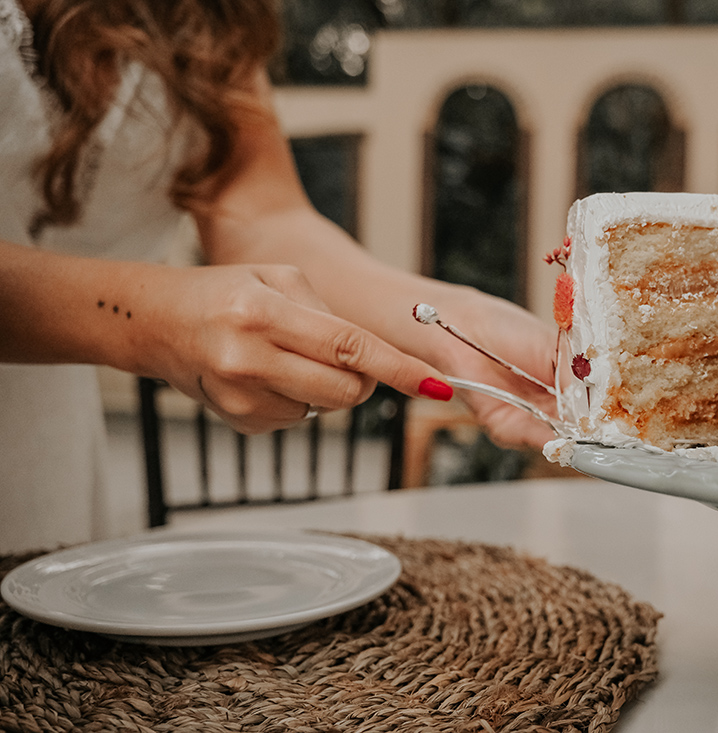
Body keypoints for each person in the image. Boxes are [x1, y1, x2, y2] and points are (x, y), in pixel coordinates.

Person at [0, 0, 558, 553]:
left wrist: (461, 322)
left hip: (53, 455)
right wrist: (144, 322)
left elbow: (265, 218)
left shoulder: (207, 14)